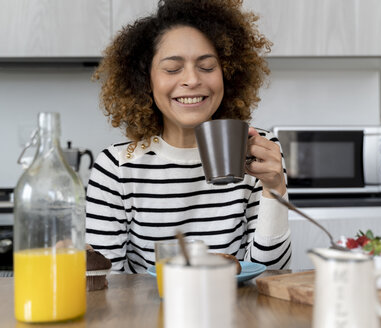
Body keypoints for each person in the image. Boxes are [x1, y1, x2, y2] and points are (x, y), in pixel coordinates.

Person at [86, 0, 291, 273]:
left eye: (207, 67)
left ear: (227, 75)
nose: (192, 80)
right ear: (145, 80)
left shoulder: (256, 150)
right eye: (172, 69)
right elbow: (106, 283)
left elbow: (270, 274)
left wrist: (274, 187)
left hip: (236, 311)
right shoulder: (116, 167)